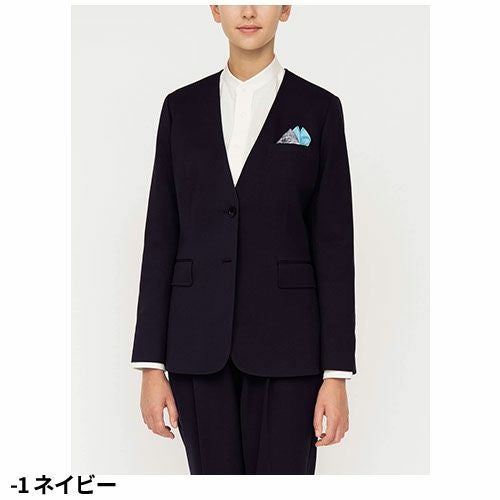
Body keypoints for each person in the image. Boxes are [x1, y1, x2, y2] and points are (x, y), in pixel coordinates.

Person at [130, 5, 356, 475]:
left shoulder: (319, 109)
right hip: (197, 346)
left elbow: (334, 246)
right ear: (215, 9)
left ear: (286, 8)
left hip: (290, 350)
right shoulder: (180, 109)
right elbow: (161, 236)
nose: (249, 11)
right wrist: (151, 364)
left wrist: (336, 374)